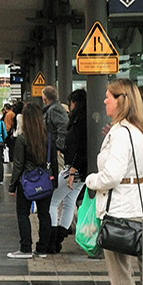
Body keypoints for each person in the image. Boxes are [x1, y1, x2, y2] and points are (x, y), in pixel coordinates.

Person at [86, 78, 143, 285]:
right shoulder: (140, 131)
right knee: (135, 276)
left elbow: (111, 176)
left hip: (118, 214)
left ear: (121, 100)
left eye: (108, 97)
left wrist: (91, 180)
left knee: (121, 280)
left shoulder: (121, 132)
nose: (104, 101)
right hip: (137, 207)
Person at [6, 98, 58, 258]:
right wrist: (53, 182)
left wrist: (12, 186)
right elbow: (54, 162)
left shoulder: (22, 139)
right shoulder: (49, 137)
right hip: (45, 181)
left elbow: (18, 165)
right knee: (45, 214)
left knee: (23, 214)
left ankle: (25, 249)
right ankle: (42, 250)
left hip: (27, 183)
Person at [48, 88, 88, 252]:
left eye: (71, 102)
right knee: (69, 201)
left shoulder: (79, 122)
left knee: (52, 201)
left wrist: (71, 170)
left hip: (73, 169)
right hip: (81, 171)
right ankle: (59, 237)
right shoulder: (84, 119)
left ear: (75, 103)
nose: (70, 106)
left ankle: (52, 238)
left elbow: (79, 147)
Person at [41, 85, 68, 156]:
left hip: (56, 150)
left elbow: (63, 127)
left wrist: (58, 147)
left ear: (44, 99)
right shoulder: (55, 108)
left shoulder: (54, 109)